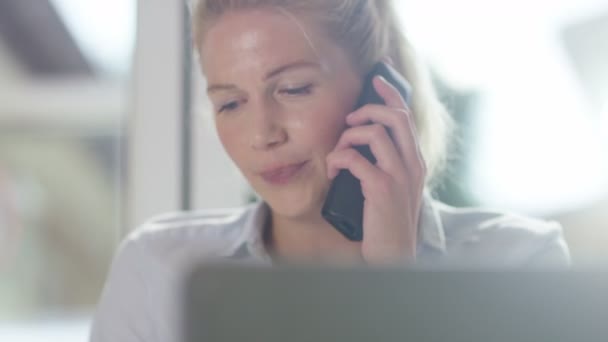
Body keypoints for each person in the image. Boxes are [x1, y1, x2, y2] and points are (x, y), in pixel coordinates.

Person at [90, 0, 570, 340]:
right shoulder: (157, 267)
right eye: (231, 103)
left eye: (294, 88)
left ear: (382, 89)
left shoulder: (520, 263)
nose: (263, 134)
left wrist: (394, 280)